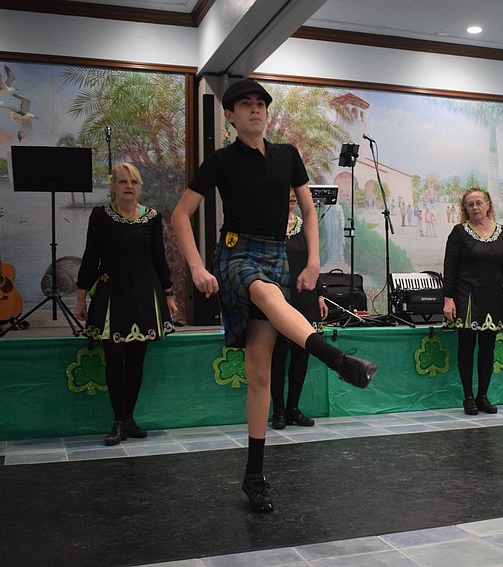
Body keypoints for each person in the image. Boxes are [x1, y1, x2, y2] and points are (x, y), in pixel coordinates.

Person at [171, 79, 378, 513]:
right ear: (229, 115)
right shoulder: (221, 161)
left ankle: (253, 475)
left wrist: (315, 259)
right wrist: (195, 266)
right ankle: (338, 359)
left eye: (261, 104)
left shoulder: (287, 155)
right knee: (266, 296)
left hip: (275, 252)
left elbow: (307, 210)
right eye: (245, 105)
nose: (255, 110)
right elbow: (180, 215)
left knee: (260, 372)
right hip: (235, 253)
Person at [74, 163, 177, 446]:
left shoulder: (152, 218)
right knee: (115, 359)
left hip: (145, 296)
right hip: (111, 297)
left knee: (136, 360)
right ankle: (118, 420)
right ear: (113, 187)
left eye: (133, 182)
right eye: (122, 182)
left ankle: (129, 419)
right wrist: (81, 296)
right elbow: (90, 256)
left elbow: (159, 258)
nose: (128, 186)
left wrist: (168, 295)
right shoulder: (100, 216)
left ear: (139, 187)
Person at [443, 188, 503, 415]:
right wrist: (448, 299)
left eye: (479, 203)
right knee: (466, 347)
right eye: (470, 204)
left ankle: (483, 396)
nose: (475, 208)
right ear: (465, 209)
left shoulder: (502, 234)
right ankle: (468, 398)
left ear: (488, 204)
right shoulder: (458, 233)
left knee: (487, 348)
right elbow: (450, 269)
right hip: (466, 298)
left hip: (493, 298)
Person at [269, 192, 329, 429]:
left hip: (305, 297)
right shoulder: (267, 226)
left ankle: (293, 407)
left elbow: (313, 262)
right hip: (278, 298)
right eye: (287, 189)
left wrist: (320, 294)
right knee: (278, 354)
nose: (292, 195)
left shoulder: (306, 226)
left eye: (295, 191)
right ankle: (279, 411)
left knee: (302, 352)